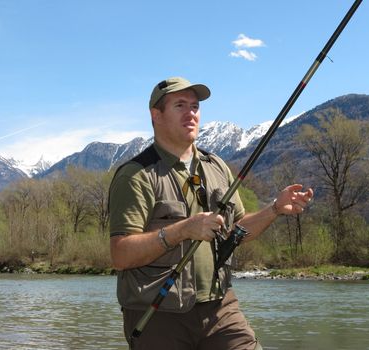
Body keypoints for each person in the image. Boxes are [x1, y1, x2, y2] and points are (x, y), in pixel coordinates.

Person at [108, 76, 313, 350]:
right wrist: (182, 230)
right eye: (180, 105)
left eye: (195, 106)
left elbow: (237, 229)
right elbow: (121, 254)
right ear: (156, 115)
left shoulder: (216, 166)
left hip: (220, 306)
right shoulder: (136, 175)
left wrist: (274, 209)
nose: (191, 113)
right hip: (157, 313)